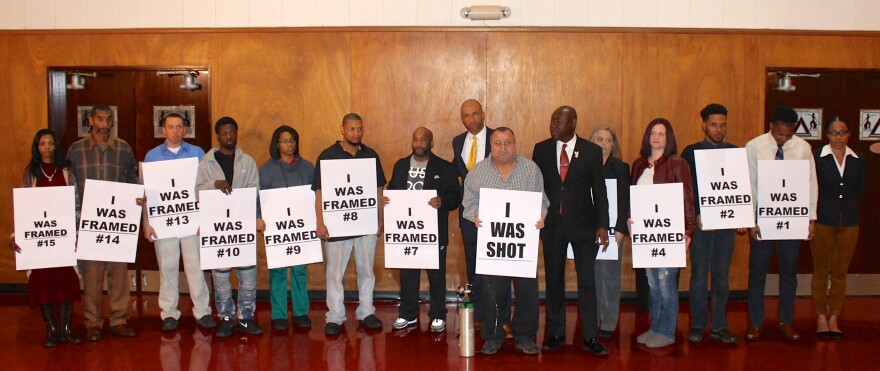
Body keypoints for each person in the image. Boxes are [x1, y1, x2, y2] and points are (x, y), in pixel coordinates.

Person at [462, 127, 549, 355]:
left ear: (515, 144)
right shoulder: (478, 173)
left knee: (527, 292)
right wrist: (476, 215)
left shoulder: (531, 169)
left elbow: (542, 199)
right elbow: (468, 204)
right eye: (498, 143)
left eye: (508, 142)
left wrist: (541, 216)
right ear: (491, 146)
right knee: (493, 292)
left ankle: (525, 337)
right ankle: (493, 336)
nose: (503, 148)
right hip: (494, 244)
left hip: (523, 243)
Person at [531, 106, 609, 356]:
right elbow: (536, 188)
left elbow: (599, 191)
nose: (553, 125)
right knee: (554, 281)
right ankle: (555, 333)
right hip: (552, 227)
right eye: (552, 121)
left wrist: (602, 224)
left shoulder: (591, 151)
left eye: (558, 122)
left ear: (573, 123)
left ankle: (590, 336)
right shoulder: (541, 149)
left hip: (583, 227)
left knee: (587, 282)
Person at [744, 105, 818, 342]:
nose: (783, 138)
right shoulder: (754, 146)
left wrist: (811, 218)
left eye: (788, 134)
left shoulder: (803, 148)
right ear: (771, 126)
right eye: (779, 134)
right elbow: (750, 183)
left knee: (789, 273)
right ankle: (755, 323)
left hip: (791, 220)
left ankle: (786, 321)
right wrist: (751, 219)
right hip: (762, 221)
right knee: (757, 273)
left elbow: (810, 183)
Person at [66, 104, 139, 341]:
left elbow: (132, 179)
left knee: (118, 275)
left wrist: (135, 202)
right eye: (100, 119)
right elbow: (70, 186)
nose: (104, 124)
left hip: (117, 223)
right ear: (91, 120)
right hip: (89, 223)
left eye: (108, 119)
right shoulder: (76, 150)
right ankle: (93, 322)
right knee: (93, 276)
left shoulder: (123, 148)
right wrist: (75, 220)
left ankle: (119, 319)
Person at [313, 113, 387, 335]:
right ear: (342, 130)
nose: (356, 133)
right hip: (336, 225)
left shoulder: (371, 155)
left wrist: (380, 220)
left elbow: (379, 190)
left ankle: (366, 312)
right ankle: (335, 316)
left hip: (365, 225)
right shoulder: (327, 155)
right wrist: (319, 222)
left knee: (367, 270)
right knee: (334, 273)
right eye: (352, 129)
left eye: (360, 129)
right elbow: (319, 192)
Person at [141, 113, 215, 332]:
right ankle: (169, 313)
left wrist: (205, 219)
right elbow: (146, 194)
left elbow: (206, 187)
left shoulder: (198, 153)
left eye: (179, 126)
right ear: (163, 130)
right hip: (163, 222)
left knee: (196, 268)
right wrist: (147, 223)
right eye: (170, 127)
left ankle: (202, 312)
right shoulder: (152, 156)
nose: (175, 131)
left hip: (192, 222)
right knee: (167, 267)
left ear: (185, 130)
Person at [8, 129, 82, 347]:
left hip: (63, 238)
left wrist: (76, 233)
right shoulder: (30, 172)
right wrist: (16, 234)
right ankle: (51, 329)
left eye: (51, 143)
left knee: (66, 280)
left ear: (56, 146)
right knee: (43, 283)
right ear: (37, 147)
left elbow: (75, 202)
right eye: (43, 143)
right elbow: (23, 207)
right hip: (40, 239)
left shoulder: (66, 170)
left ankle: (67, 328)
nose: (47, 147)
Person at [387, 127, 460, 333]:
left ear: (431, 143)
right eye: (415, 139)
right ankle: (407, 313)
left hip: (434, 231)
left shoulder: (444, 167)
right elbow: (393, 190)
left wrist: (442, 201)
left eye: (423, 140)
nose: (419, 143)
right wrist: (387, 198)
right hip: (407, 231)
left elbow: (456, 196)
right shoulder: (400, 166)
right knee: (407, 274)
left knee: (437, 275)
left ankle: (438, 314)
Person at [630, 118, 695, 348]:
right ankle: (655, 326)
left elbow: (687, 199)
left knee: (665, 283)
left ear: (669, 139)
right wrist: (630, 218)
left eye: (661, 134)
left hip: (670, 234)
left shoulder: (677, 163)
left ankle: (667, 331)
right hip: (646, 235)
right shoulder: (638, 164)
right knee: (652, 283)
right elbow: (633, 197)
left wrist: (688, 232)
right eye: (653, 133)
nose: (656, 137)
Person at [195, 116, 262, 337]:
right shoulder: (206, 163)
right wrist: (214, 185)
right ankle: (224, 318)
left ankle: (245, 318)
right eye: (224, 133)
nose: (229, 136)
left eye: (232, 132)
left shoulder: (248, 162)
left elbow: (255, 192)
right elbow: (197, 192)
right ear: (217, 135)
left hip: (242, 227)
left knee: (248, 276)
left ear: (236, 133)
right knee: (221, 277)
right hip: (218, 229)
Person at [680, 104, 740, 344]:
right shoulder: (690, 152)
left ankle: (720, 325)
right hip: (701, 226)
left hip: (726, 227)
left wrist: (742, 217)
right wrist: (694, 216)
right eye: (713, 124)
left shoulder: (734, 152)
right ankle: (697, 325)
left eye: (723, 124)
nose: (718, 129)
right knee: (698, 276)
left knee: (722, 277)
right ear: (703, 125)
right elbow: (685, 190)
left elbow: (738, 190)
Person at [451, 99, 511, 336]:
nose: (471, 119)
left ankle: (503, 318)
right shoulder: (458, 142)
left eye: (475, 114)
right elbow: (459, 174)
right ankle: (478, 316)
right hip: (469, 213)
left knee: (499, 265)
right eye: (466, 115)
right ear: (462, 119)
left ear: (483, 114)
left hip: (496, 212)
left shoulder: (498, 139)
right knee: (474, 265)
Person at [811, 116, 865, 340]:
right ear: (826, 135)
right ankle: (820, 316)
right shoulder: (816, 157)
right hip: (823, 220)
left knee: (841, 272)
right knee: (821, 270)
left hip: (850, 221)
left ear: (849, 133)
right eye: (833, 133)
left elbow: (859, 189)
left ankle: (834, 316)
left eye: (842, 132)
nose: (838, 137)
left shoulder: (858, 158)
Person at [258, 125, 315, 331]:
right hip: (277, 228)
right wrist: (259, 218)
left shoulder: (308, 167)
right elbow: (260, 198)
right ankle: (279, 314)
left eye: (292, 140)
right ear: (276, 143)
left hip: (300, 228)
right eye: (284, 141)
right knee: (278, 271)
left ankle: (300, 312)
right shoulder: (266, 169)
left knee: (300, 270)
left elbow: (316, 197)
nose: (289, 144)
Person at [590, 125, 630, 339]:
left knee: (611, 276)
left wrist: (621, 228)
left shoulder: (622, 168)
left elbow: (624, 200)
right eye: (599, 139)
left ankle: (610, 321)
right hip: (590, 231)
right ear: (592, 142)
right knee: (592, 276)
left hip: (615, 231)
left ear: (613, 144)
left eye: (608, 140)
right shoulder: (585, 166)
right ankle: (592, 318)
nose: (603, 144)